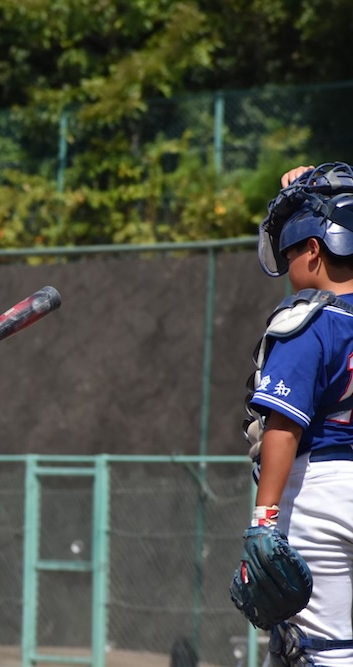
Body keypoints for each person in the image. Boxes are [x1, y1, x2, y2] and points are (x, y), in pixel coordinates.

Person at [241, 162, 353, 665]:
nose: (289, 266)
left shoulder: (310, 321)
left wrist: (263, 520)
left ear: (313, 249)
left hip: (320, 493)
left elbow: (283, 428)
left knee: (315, 648)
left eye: (291, 252)